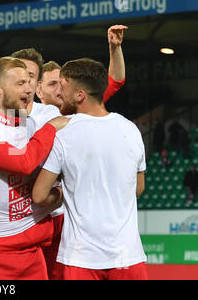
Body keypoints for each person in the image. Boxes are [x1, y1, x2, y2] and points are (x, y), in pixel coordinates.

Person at [15, 24, 129, 280]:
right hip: (20, 218)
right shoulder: (4, 117)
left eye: (61, 83)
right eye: (51, 83)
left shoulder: (67, 114)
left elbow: (115, 81)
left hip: (58, 215)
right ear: (39, 89)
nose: (58, 89)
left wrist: (114, 48)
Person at [32, 58, 147, 280]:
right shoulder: (131, 129)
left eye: (63, 88)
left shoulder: (63, 135)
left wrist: (69, 192)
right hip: (128, 257)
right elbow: (137, 189)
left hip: (81, 260)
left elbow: (39, 195)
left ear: (80, 95)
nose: (59, 95)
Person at [0, 57, 69, 279]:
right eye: (20, 83)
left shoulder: (30, 124)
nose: (29, 88)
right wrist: (50, 128)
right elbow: (22, 163)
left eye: (29, 81)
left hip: (31, 248)